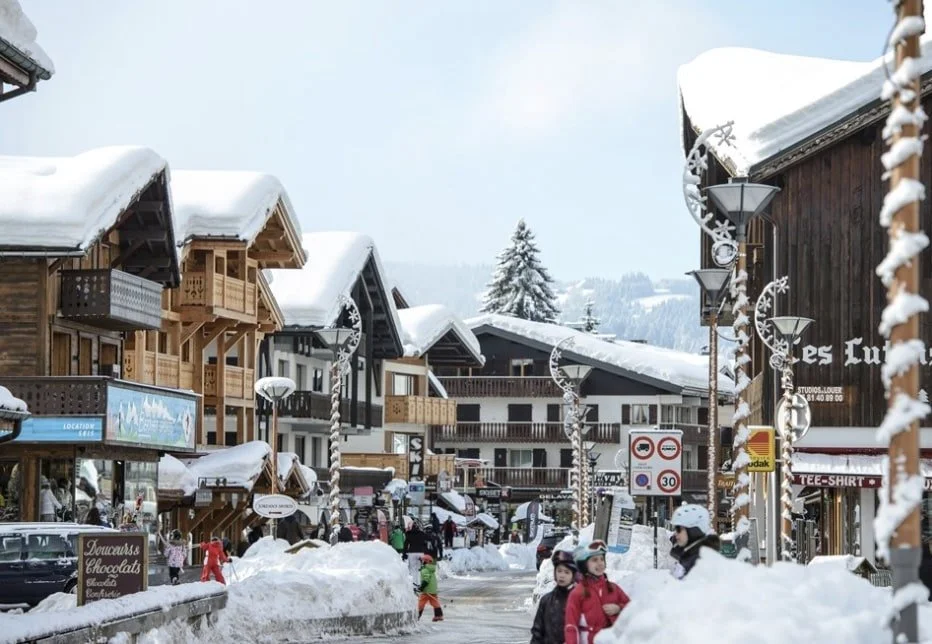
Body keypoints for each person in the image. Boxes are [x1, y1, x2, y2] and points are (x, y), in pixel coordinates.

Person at [564, 540, 630, 644]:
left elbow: (632, 609)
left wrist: (619, 608)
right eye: (594, 560)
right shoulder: (577, 593)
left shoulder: (613, 588)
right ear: (584, 565)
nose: (600, 563)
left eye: (602, 559)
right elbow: (571, 626)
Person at [531, 550, 577, 644]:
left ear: (573, 576)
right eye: (559, 571)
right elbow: (537, 632)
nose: (562, 575)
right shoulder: (546, 600)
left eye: (566, 572)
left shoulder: (580, 601)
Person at [669, 504, 720, 580]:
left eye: (678, 529)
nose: (675, 533)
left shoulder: (700, 564)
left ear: (693, 531)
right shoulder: (690, 558)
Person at [417, 554, 443, 622]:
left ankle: (417, 616)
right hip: (432, 589)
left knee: (421, 603)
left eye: (421, 561)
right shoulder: (430, 569)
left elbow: (426, 580)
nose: (421, 562)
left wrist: (422, 587)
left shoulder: (425, 570)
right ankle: (439, 615)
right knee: (434, 602)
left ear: (425, 562)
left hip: (427, 590)